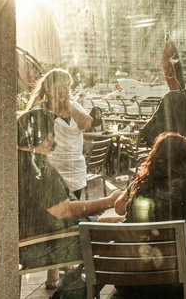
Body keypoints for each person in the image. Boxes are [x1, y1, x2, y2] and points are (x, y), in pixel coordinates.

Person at [17, 109, 121, 298]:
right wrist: (108, 201)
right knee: (114, 242)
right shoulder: (37, 169)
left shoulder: (19, 161)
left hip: (32, 238)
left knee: (109, 227)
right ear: (47, 136)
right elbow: (64, 210)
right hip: (40, 245)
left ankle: (65, 294)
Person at [113, 132, 186, 298]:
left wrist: (134, 186)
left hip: (130, 283)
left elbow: (118, 208)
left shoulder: (140, 183)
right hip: (174, 285)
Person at [24, 69, 94, 289]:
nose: (63, 89)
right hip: (52, 170)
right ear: (48, 87)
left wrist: (68, 104)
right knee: (54, 222)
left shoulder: (75, 107)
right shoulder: (39, 111)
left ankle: (64, 262)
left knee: (69, 221)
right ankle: (52, 272)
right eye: (58, 85)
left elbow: (87, 124)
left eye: (66, 85)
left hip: (75, 169)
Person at [139, 79, 186, 147]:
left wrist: (144, 132)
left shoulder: (169, 94)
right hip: (175, 137)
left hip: (158, 135)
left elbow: (157, 115)